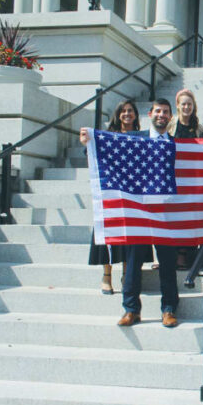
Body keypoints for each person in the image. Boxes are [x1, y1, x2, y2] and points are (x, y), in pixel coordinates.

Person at [81, 98, 180, 328]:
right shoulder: (136, 138)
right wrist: (89, 143)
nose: (162, 115)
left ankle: (169, 309)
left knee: (167, 263)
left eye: (166, 112)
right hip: (139, 211)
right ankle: (131, 310)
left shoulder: (177, 144)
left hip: (166, 213)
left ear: (170, 116)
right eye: (158, 111)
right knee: (133, 262)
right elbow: (107, 150)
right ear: (150, 113)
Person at [88, 100, 152, 294]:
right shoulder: (107, 136)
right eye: (123, 111)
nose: (127, 114)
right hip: (111, 191)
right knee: (108, 231)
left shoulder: (142, 137)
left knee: (131, 234)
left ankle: (127, 274)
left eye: (131, 110)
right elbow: (89, 152)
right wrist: (88, 140)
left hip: (134, 194)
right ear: (117, 114)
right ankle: (106, 275)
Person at [167, 89, 203, 270]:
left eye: (190, 104)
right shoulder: (169, 125)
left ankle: (185, 254)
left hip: (192, 180)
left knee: (189, 216)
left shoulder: (199, 127)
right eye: (184, 104)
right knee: (172, 216)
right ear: (178, 105)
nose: (187, 107)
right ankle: (168, 254)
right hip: (172, 178)